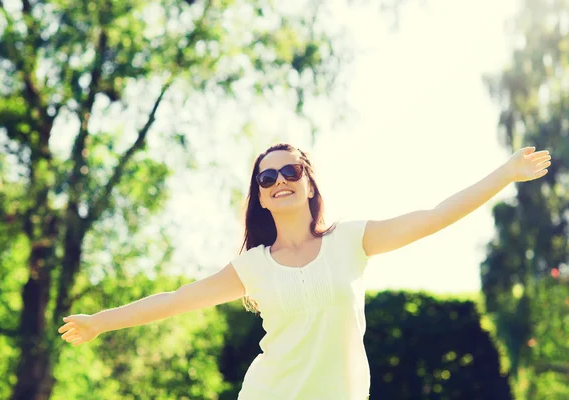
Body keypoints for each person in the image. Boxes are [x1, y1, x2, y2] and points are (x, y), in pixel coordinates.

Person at [58, 143, 551, 399]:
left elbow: (434, 217)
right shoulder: (251, 268)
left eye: (291, 171)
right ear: (261, 196)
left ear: (310, 184)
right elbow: (173, 301)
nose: (279, 181)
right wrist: (101, 321)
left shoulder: (351, 241)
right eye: (266, 178)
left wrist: (504, 174)